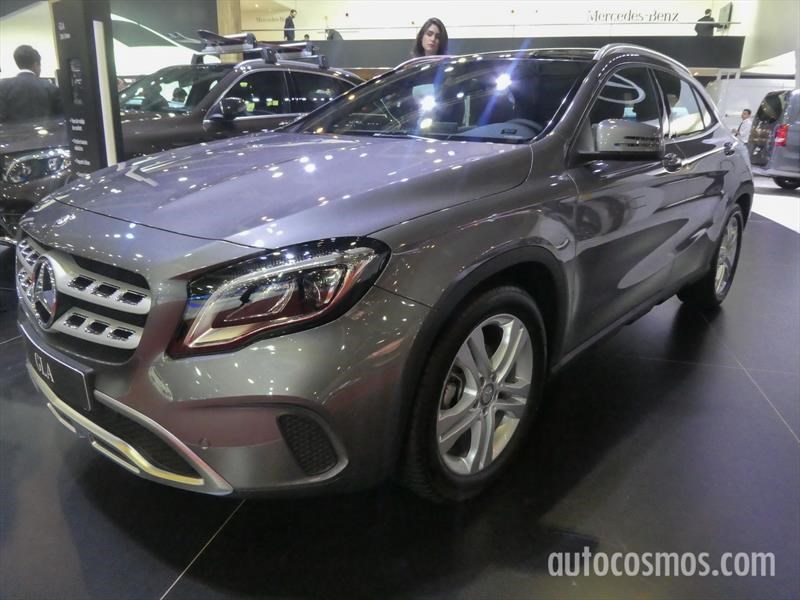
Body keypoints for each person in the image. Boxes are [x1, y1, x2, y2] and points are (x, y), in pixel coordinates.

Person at [0, 45, 62, 123]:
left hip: (13, 134)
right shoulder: (50, 87)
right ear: (36, 65)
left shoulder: (3, 86)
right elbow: (60, 117)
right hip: (45, 133)